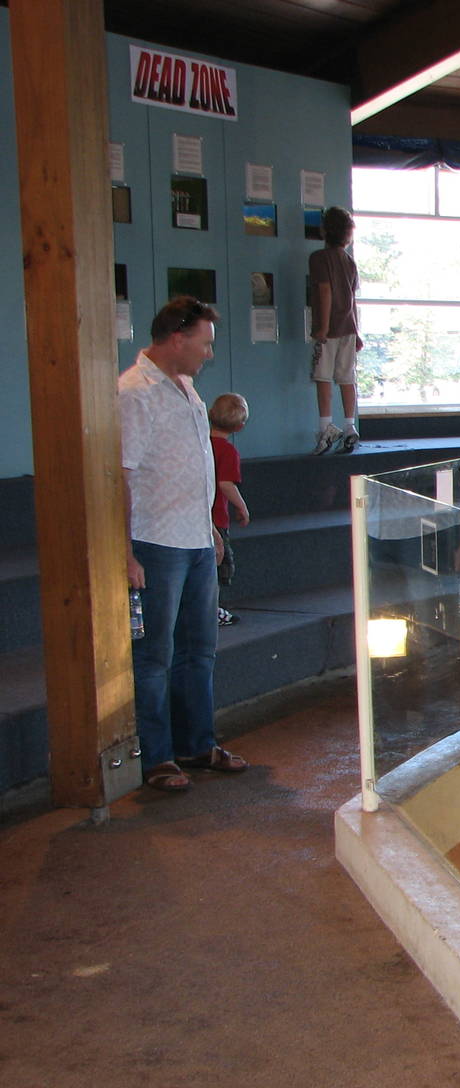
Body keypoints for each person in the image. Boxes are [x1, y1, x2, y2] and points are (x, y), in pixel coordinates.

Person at [121, 296, 248, 792]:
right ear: (178, 338)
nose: (208, 354)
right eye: (205, 343)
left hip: (195, 539)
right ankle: (156, 758)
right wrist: (124, 552)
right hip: (155, 542)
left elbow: (194, 467)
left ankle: (196, 744)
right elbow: (122, 476)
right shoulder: (135, 393)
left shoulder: (187, 388)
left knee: (199, 649)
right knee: (154, 655)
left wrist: (209, 526)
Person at [309, 204, 362, 455]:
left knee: (323, 376)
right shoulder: (350, 262)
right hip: (349, 327)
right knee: (346, 377)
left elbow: (325, 290)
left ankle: (325, 426)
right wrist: (357, 331)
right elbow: (352, 299)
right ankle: (350, 426)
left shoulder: (319, 258)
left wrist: (323, 326)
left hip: (330, 330)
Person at [208, 393, 251, 627]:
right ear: (240, 427)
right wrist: (242, 506)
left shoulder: (200, 444)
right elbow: (225, 483)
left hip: (197, 517)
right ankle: (211, 610)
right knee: (218, 564)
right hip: (216, 519)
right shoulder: (228, 452)